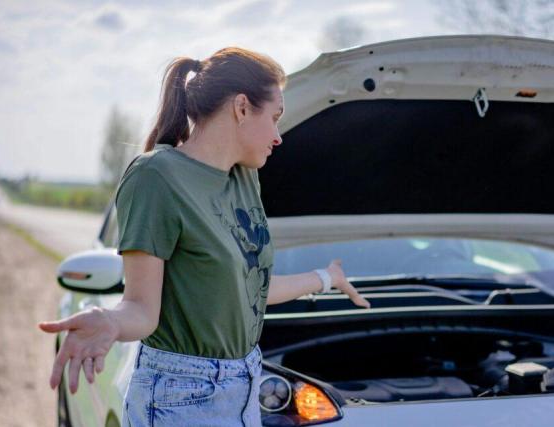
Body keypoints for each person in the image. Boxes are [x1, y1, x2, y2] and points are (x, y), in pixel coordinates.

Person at [38, 47, 371, 426]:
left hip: (246, 386)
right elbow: (142, 310)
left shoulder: (245, 178)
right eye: (275, 118)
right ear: (241, 107)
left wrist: (327, 277)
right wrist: (111, 322)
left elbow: (250, 292)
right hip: (180, 396)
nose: (278, 136)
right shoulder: (156, 176)